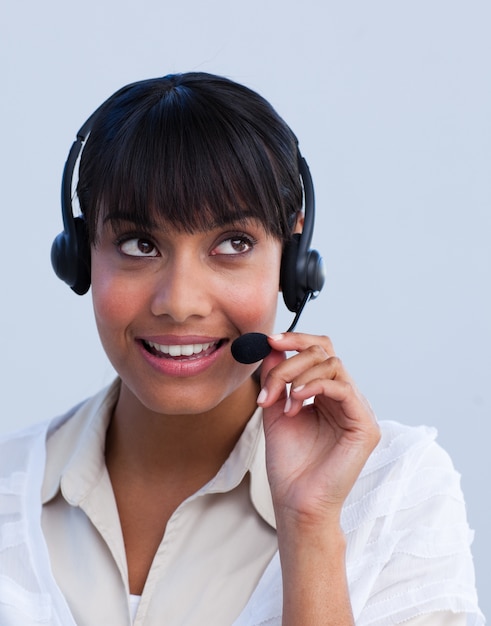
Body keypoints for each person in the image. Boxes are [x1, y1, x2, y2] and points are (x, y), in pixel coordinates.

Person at [0, 72, 484, 626]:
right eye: (139, 244)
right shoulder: (7, 484)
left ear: (294, 259)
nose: (179, 303)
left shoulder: (394, 491)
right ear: (81, 257)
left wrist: (311, 529)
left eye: (233, 243)